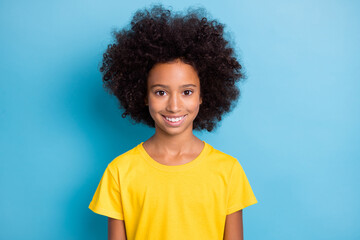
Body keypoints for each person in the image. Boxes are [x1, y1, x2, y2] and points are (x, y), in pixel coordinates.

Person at [89, 5, 257, 240]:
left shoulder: (228, 171)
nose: (174, 106)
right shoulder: (120, 172)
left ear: (203, 95)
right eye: (160, 92)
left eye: (187, 92)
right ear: (142, 95)